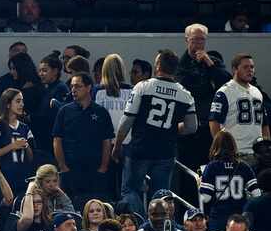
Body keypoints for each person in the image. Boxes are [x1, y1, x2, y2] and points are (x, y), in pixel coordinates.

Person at [113, 50, 197, 216]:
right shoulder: (185, 95)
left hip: (140, 149)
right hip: (166, 152)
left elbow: (127, 120)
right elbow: (191, 127)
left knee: (131, 190)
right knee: (160, 196)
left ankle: (139, 223)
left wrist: (117, 146)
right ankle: (157, 228)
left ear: (157, 65)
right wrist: (172, 129)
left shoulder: (143, 87)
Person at [53, 73, 115, 209]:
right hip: (71, 169)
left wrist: (103, 167)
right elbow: (57, 140)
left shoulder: (101, 112)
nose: (73, 90)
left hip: (94, 170)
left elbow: (107, 141)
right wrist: (62, 166)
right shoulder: (65, 111)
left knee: (95, 207)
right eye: (72, 87)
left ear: (88, 88)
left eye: (78, 86)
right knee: (69, 207)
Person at [178, 24, 231, 171]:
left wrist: (210, 64)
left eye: (202, 40)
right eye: (194, 40)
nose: (198, 44)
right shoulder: (180, 64)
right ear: (187, 40)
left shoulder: (213, 61)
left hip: (209, 123)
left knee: (209, 166)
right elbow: (181, 85)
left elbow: (227, 82)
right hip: (188, 123)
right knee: (188, 167)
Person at [209, 54, 268, 163]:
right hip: (236, 154)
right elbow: (214, 122)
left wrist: (266, 148)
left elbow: (264, 123)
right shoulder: (225, 92)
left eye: (252, 67)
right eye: (245, 67)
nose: (250, 70)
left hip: (258, 154)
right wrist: (222, 149)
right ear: (235, 69)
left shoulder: (257, 92)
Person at [201, 133, 260, 231]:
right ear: (233, 146)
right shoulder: (243, 166)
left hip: (219, 218)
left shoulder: (212, 167)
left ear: (215, 146)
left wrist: (199, 187)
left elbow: (206, 198)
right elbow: (257, 194)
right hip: (239, 219)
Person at [0, 88, 34, 198]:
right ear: (7, 104)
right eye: (18, 101)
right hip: (2, 182)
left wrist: (26, 146)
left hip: (21, 181)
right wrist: (12, 146)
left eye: (22, 101)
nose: (22, 104)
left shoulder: (24, 128)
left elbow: (31, 157)